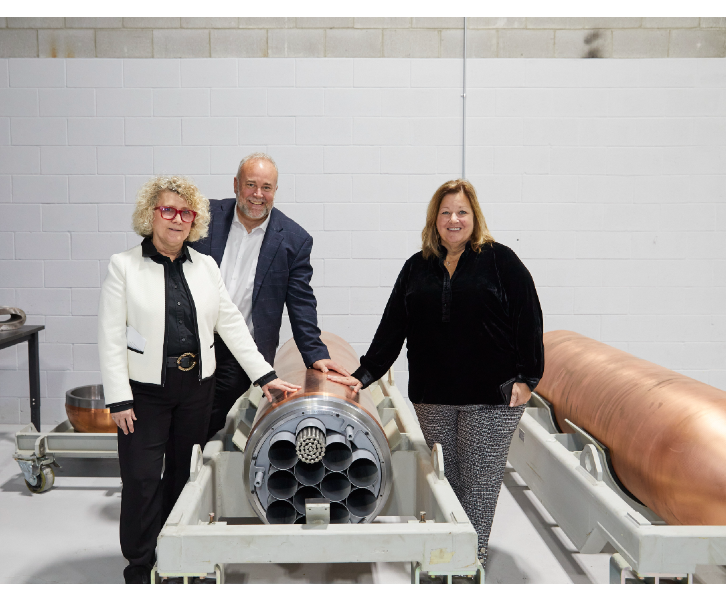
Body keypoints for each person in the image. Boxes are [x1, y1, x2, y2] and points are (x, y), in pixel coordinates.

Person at [328, 179, 544, 568]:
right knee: (447, 481)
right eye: (445, 212)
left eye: (462, 212)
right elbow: (392, 327)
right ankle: (450, 557)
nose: (454, 219)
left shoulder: (500, 261)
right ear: (435, 220)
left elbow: (528, 318)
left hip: (492, 398)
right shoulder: (417, 267)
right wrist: (363, 375)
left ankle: (466, 563)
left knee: (478, 485)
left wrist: (529, 378)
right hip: (433, 396)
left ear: (474, 217)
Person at [98, 175, 300, 584]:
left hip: (195, 389)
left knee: (184, 476)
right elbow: (110, 335)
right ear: (150, 215)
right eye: (168, 210)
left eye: (185, 212)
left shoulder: (206, 266)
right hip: (144, 395)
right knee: (140, 480)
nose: (177, 219)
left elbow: (231, 324)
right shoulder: (124, 266)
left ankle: (176, 558)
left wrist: (265, 376)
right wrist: (119, 399)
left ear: (195, 221)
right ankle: (140, 565)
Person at [192, 153, 348, 441]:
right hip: (193, 341)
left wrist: (315, 355)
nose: (258, 195)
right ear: (236, 184)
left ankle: (190, 469)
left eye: (267, 187)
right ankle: (179, 469)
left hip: (241, 350)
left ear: (275, 191)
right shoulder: (204, 217)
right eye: (251, 184)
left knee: (209, 418)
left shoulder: (293, 239)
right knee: (184, 412)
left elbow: (301, 301)